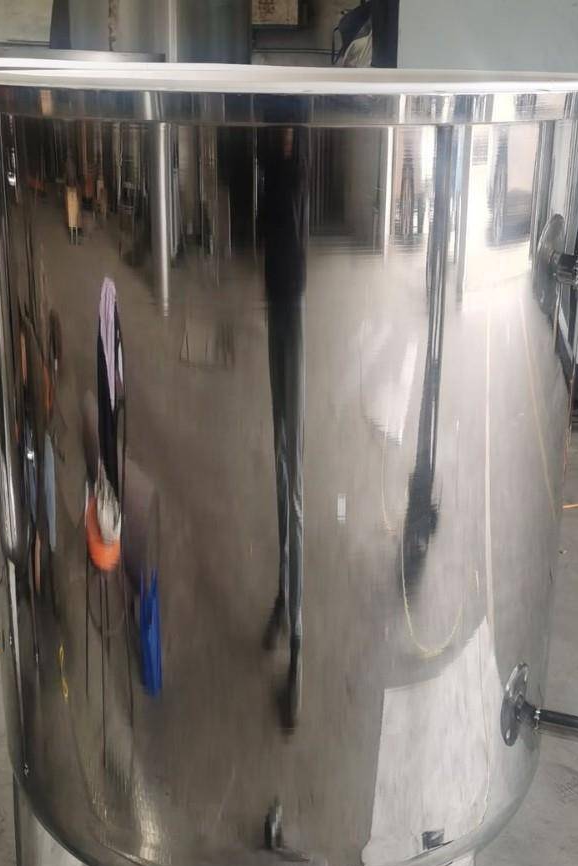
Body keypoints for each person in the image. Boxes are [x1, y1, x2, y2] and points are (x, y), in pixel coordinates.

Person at [259, 125, 309, 729]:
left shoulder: (294, 169)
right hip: (276, 295)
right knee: (279, 453)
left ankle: (297, 628)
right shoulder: (271, 162)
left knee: (292, 468)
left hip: (294, 299)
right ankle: (283, 594)